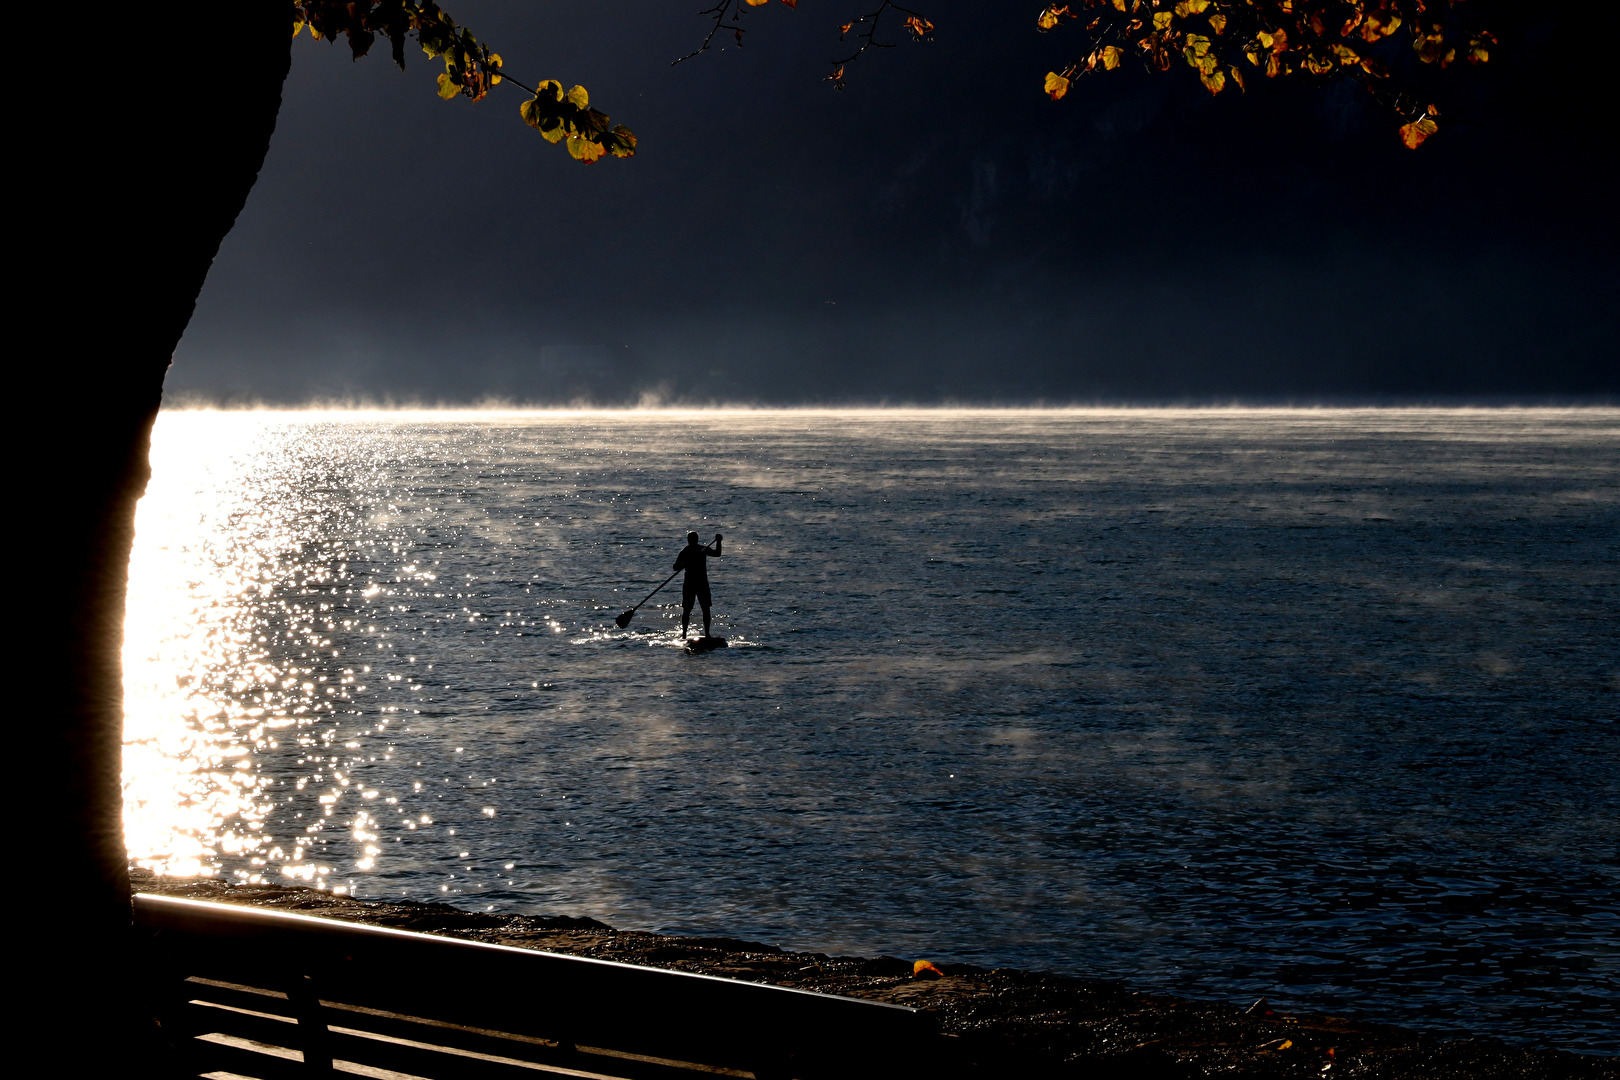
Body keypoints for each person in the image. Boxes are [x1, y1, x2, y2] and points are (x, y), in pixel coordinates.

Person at [673, 531, 722, 639]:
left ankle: (707, 634)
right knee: (687, 609)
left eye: (693, 539)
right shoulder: (685, 552)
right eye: (691, 539)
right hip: (690, 583)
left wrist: (718, 542)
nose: (692, 541)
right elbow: (675, 567)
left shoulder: (702, 549)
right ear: (689, 540)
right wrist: (683, 564)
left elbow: (717, 554)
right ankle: (684, 634)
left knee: (705, 608)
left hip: (702, 583)